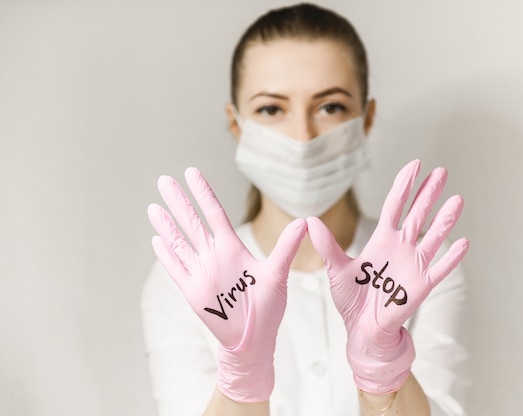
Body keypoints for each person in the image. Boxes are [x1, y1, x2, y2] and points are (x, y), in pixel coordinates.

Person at [141, 3, 470, 416]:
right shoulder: (188, 279)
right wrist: (243, 378)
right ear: (236, 122)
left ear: (366, 119)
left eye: (329, 106)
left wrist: (384, 369)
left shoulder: (423, 267)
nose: (302, 136)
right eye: (271, 109)